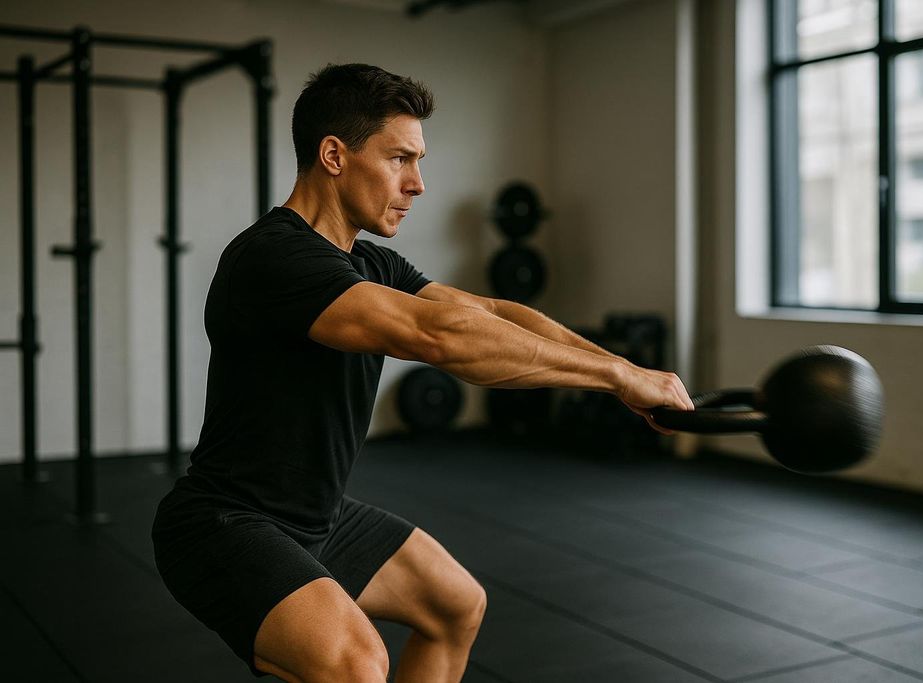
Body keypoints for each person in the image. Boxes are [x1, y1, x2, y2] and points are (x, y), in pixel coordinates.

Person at [151, 62, 693, 683]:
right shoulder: (272, 257)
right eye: (400, 159)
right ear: (333, 155)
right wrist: (620, 378)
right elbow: (439, 336)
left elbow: (487, 316)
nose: (417, 184)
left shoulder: (369, 263)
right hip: (226, 526)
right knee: (357, 666)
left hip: (316, 518)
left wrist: (618, 370)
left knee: (453, 605)